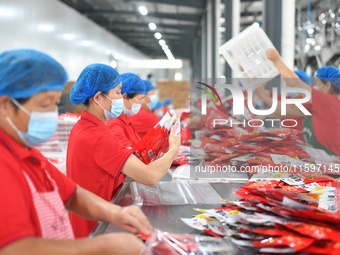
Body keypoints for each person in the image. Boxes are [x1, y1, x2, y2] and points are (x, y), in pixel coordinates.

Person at [0, 49, 151, 255]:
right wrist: (106, 246)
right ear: (7, 104)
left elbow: (72, 194)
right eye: (45, 105)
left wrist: (116, 213)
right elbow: (15, 249)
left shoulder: (27, 152)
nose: (52, 114)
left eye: (54, 104)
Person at [67, 64, 180, 237]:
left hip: (89, 218)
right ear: (98, 97)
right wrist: (173, 148)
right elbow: (149, 176)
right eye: (119, 93)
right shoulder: (97, 136)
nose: (122, 97)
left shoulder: (85, 126)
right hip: (95, 227)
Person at [255, 48, 340, 155]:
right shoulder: (318, 105)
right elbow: (290, 110)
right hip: (321, 160)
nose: (313, 86)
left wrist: (276, 60)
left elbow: (295, 83)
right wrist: (263, 100)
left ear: (328, 85)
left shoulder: (330, 102)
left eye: (316, 83)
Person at [107, 73, 145, 148]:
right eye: (140, 99)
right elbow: (128, 155)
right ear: (124, 97)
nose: (141, 103)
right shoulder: (114, 124)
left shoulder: (126, 119)